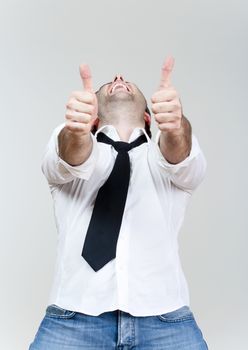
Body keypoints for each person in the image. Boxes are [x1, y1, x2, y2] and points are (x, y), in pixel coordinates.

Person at [28, 56, 208, 349]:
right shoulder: (69, 144)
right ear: (95, 117)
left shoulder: (164, 158)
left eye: (128, 83)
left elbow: (179, 155)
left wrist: (176, 127)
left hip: (165, 320)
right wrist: (76, 131)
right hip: (73, 318)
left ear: (149, 118)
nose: (119, 77)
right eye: (107, 83)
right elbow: (73, 157)